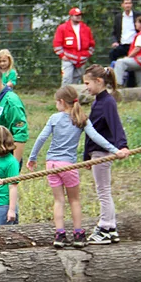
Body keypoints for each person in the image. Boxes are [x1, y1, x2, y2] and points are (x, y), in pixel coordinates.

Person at [28, 85, 126, 247]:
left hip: (51, 164)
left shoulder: (54, 118)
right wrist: (115, 150)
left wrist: (32, 158)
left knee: (58, 200)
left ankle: (59, 235)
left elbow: (41, 139)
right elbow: (96, 137)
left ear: (61, 102)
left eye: (56, 102)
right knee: (74, 200)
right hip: (68, 165)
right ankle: (78, 235)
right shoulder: (81, 119)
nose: (56, 106)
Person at [82, 65, 131, 245]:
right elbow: (92, 132)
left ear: (99, 81)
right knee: (102, 189)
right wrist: (86, 156)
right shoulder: (97, 101)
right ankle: (111, 229)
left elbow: (115, 125)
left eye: (88, 83)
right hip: (95, 152)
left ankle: (106, 226)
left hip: (103, 153)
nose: (86, 87)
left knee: (103, 190)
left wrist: (122, 146)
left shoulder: (107, 101)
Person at [53, 7, 95, 85]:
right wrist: (62, 55)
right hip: (68, 58)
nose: (78, 17)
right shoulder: (63, 28)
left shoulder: (86, 29)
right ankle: (64, 96)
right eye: (76, 15)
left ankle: (74, 97)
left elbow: (91, 44)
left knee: (77, 80)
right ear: (71, 16)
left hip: (82, 59)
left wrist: (87, 54)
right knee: (67, 79)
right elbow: (57, 43)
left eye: (80, 15)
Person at [113, 15, 141, 88]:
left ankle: (117, 84)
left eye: (137, 23)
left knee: (120, 62)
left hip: (140, 60)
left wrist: (128, 57)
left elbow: (137, 48)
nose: (135, 24)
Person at [109, 0, 141, 67]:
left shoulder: (138, 16)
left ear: (132, 5)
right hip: (122, 44)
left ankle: (131, 77)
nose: (128, 5)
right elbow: (114, 32)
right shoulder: (118, 17)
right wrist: (115, 41)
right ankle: (113, 74)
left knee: (131, 67)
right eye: (126, 3)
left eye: (129, 3)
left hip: (134, 45)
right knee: (112, 53)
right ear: (122, 5)